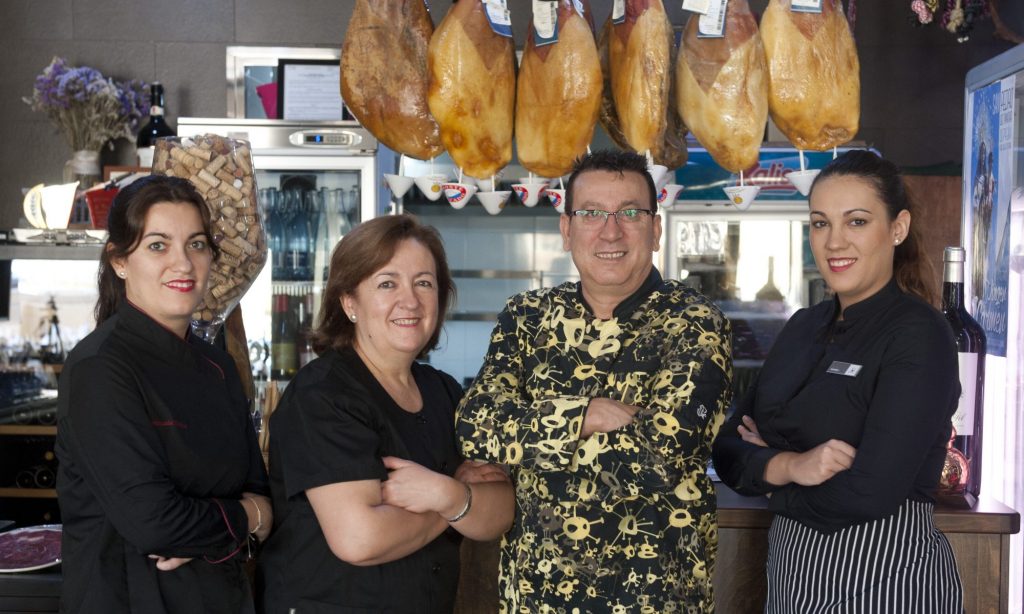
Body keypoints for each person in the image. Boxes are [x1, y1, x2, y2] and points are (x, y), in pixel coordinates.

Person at [455, 150, 733, 612]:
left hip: (654, 598)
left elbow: (661, 459)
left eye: (630, 212)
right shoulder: (526, 318)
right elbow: (476, 426)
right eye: (591, 214)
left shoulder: (696, 324)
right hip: (535, 598)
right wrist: (585, 416)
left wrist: (527, 442)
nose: (611, 230)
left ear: (655, 229)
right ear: (566, 231)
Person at [712, 150, 964, 613]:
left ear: (898, 228)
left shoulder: (920, 334)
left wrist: (766, 473)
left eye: (857, 222)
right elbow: (727, 449)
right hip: (793, 582)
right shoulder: (803, 326)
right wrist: (792, 466)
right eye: (820, 223)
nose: (834, 242)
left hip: (889, 584)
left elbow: (869, 492)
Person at [257, 214, 514, 614]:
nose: (409, 301)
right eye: (387, 283)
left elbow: (501, 507)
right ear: (349, 302)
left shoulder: (443, 391)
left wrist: (442, 493)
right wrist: (457, 501)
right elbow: (360, 539)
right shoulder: (323, 395)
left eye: (424, 283)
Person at [56, 175, 271, 613]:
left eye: (196, 244)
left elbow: (263, 494)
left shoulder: (219, 366)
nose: (183, 264)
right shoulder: (100, 369)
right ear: (119, 261)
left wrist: (243, 516)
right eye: (158, 245)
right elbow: (155, 523)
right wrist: (246, 517)